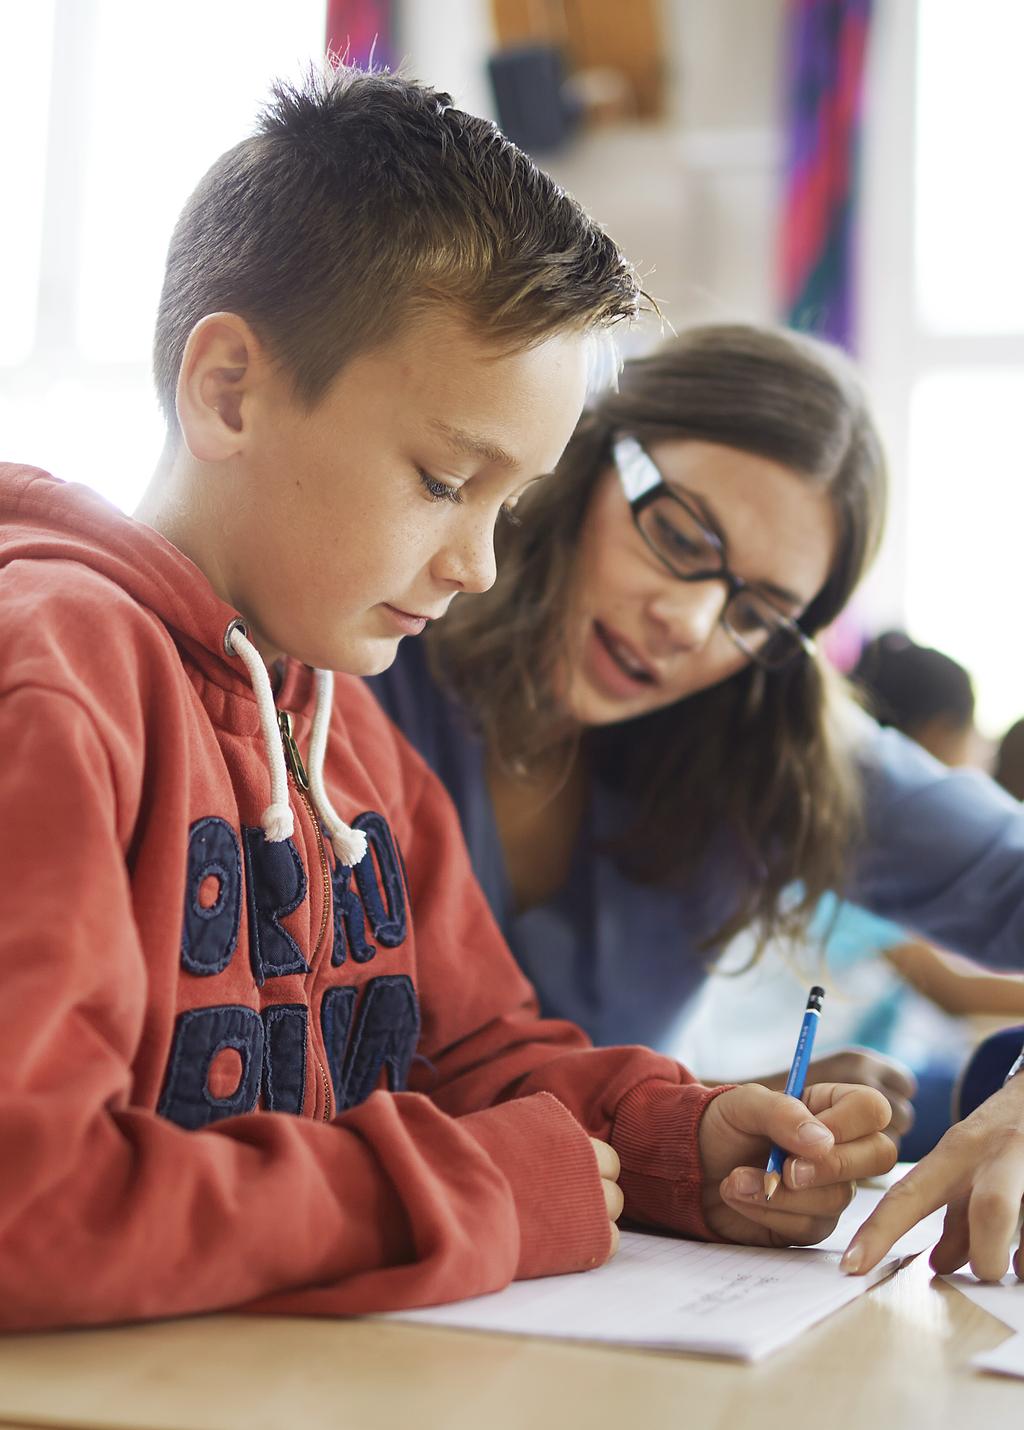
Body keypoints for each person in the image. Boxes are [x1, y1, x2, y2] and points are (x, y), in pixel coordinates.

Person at [0, 66, 895, 1333]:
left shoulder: (334, 711)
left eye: (508, 507)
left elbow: (470, 1050)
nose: (477, 565)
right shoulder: (58, 681)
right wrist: (462, 1194)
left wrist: (671, 1141)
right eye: (441, 479)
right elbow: (25, 1200)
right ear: (229, 391)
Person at [367, 322, 1024, 1278]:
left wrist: (696, 1119)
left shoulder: (772, 744)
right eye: (677, 537)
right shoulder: (362, 647)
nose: (689, 623)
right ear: (580, 457)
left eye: (759, 613)